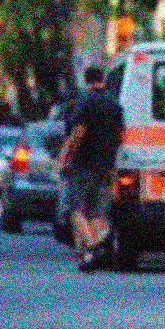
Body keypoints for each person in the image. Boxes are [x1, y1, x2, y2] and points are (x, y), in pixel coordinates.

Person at [55, 66, 124, 272]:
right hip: (107, 165)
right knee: (96, 212)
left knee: (74, 209)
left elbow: (78, 132)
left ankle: (92, 248)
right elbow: (120, 134)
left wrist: (63, 158)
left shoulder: (85, 101)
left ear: (86, 80)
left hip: (83, 164)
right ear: (102, 79)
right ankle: (88, 256)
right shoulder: (115, 104)